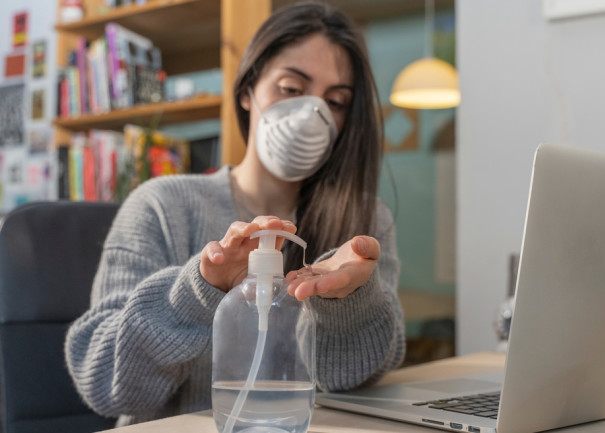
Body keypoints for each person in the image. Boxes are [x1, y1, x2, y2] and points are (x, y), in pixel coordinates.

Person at [65, 1, 405, 426]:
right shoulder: (163, 206)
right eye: (291, 89)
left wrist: (350, 302)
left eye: (335, 101)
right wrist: (197, 290)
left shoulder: (364, 221)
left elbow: (361, 383)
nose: (312, 115)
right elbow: (104, 383)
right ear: (247, 92)